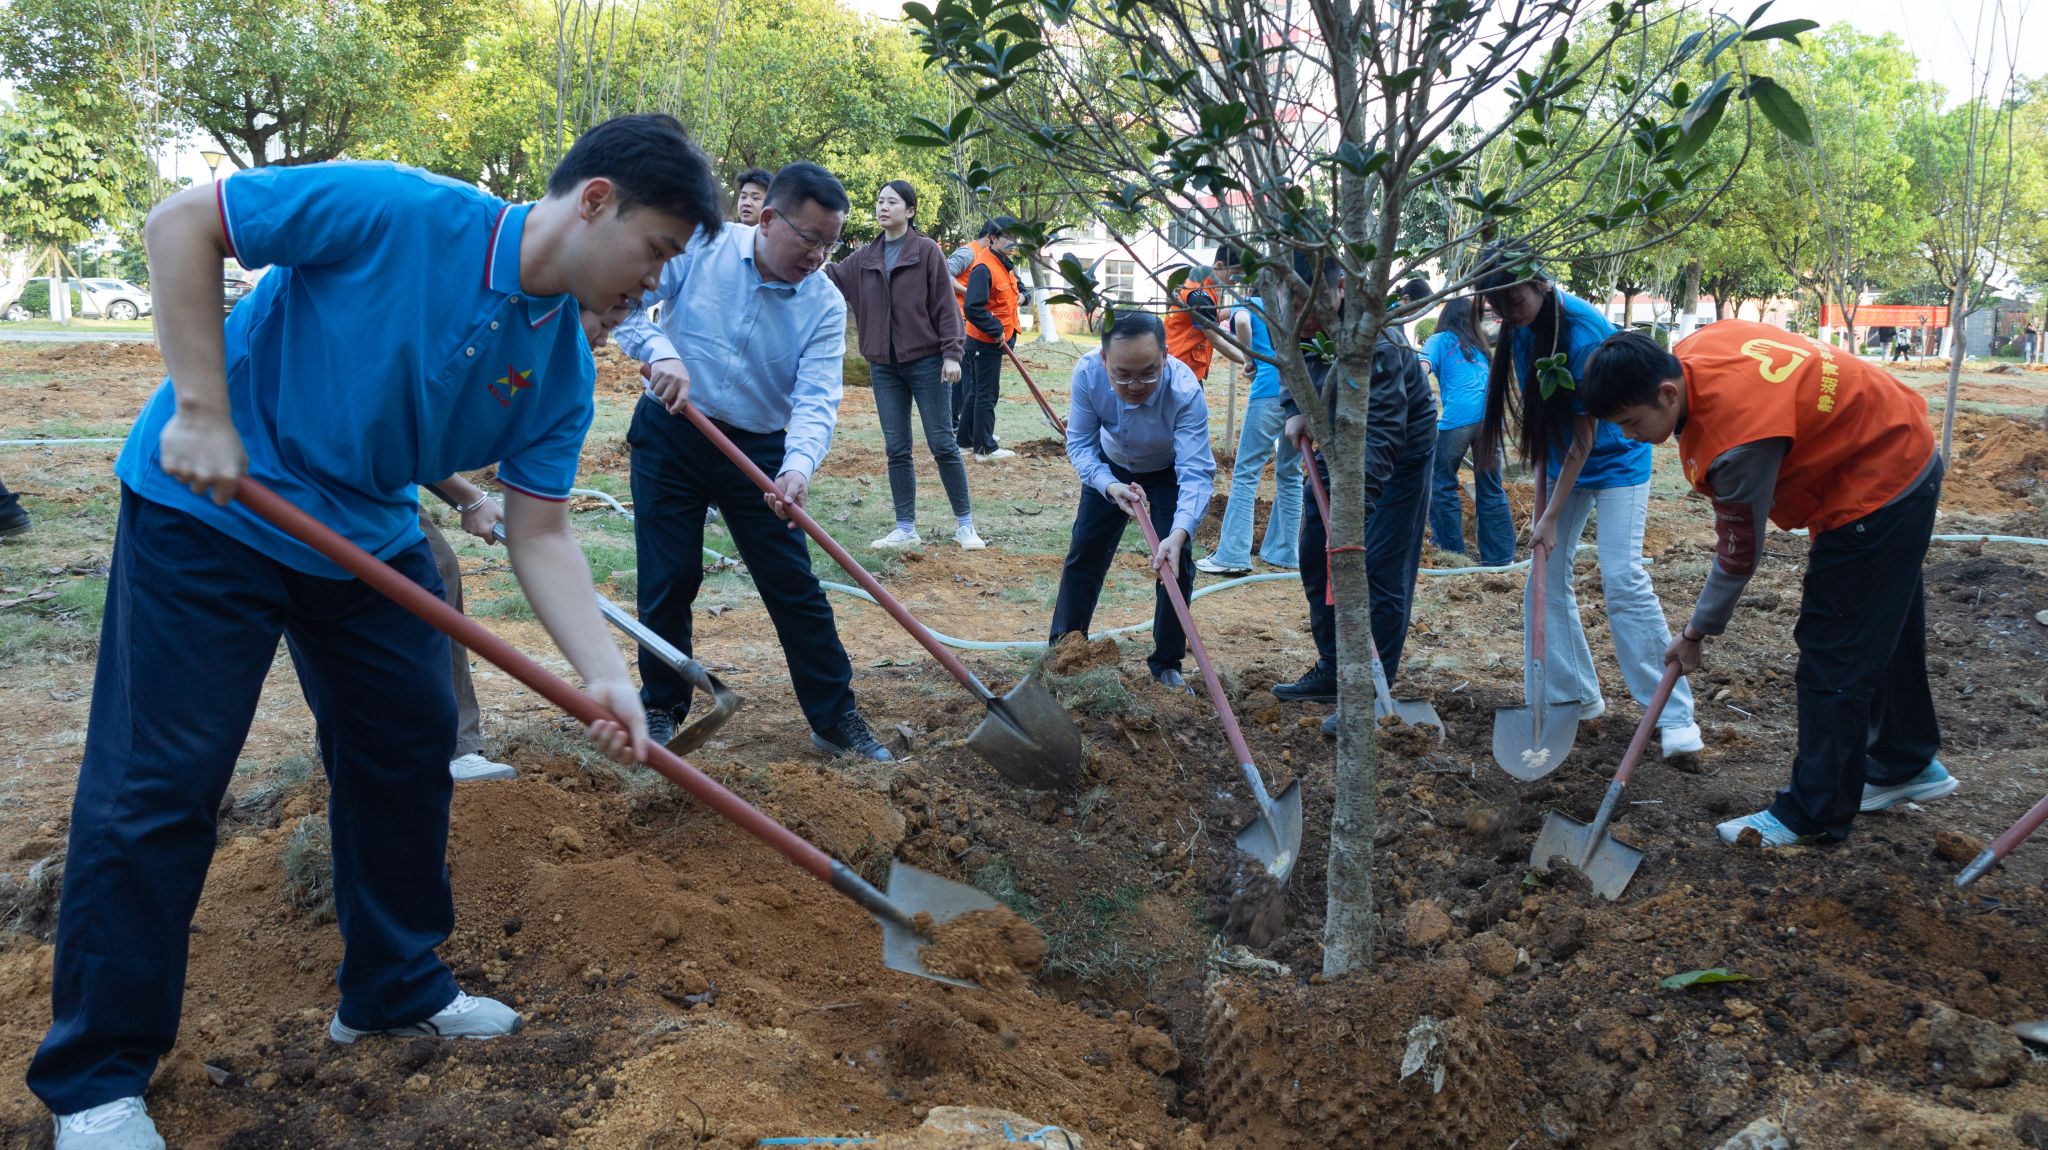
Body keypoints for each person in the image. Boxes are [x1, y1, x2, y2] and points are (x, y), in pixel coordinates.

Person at [29, 113, 713, 1149]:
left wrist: (602, 673)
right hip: (214, 506)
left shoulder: (562, 371)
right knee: (160, 782)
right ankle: (95, 1078)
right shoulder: (398, 208)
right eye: (655, 251)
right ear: (595, 201)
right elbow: (181, 222)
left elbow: (540, 534)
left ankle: (391, 988)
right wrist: (202, 408)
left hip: (365, 533)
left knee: (408, 750)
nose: (652, 285)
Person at [1579, 324, 1949, 847]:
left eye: (1631, 422)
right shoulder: (1697, 348)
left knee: (1834, 649)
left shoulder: (1737, 441)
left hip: (1881, 480)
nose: (1627, 437)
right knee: (1883, 625)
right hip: (1896, 441)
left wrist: (1695, 632)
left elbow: (1739, 554)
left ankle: (1813, 812)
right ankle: (1904, 761)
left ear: (1667, 393)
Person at [616, 162, 894, 762]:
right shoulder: (701, 246)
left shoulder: (824, 302)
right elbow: (626, 303)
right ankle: (661, 705)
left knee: (794, 585)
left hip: (759, 453)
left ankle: (834, 716)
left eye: (830, 244)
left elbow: (817, 397)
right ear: (767, 219)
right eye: (810, 239)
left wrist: (797, 467)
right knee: (669, 577)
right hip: (672, 430)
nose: (818, 256)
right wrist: (660, 352)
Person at [1476, 249, 1703, 761]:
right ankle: (1572, 695)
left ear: (1540, 283)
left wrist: (1549, 517)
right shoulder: (1522, 325)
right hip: (1564, 463)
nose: (1510, 314)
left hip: (1618, 457)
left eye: (1515, 301)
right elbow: (1543, 412)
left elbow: (1586, 441)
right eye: (1499, 307)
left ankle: (1673, 716)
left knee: (1622, 577)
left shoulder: (1582, 336)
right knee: (1544, 576)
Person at [1272, 270, 1437, 722]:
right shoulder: (1285, 315)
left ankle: (1368, 693)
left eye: (1313, 301)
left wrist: (1352, 515)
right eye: (1293, 305)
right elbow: (1288, 364)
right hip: (1333, 439)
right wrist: (1295, 408)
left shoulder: (1377, 339)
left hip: (1398, 452)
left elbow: (1383, 432)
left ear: (1340, 287)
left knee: (1378, 566)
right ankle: (1333, 670)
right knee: (1315, 554)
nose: (1303, 315)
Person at [1048, 311, 1216, 692]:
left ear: (1165, 356)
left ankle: (1167, 664)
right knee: (1086, 550)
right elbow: (1080, 444)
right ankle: (1064, 650)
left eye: (1148, 373)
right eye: (1122, 375)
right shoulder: (1088, 374)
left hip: (1168, 468)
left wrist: (1180, 532)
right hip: (1110, 468)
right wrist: (1108, 486)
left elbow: (1195, 471)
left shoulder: (1185, 390)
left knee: (1174, 560)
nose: (1136, 385)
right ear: (1104, 360)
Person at [825, 180, 982, 551]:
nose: (883, 207)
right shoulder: (864, 257)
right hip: (884, 367)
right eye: (880, 201)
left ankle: (965, 526)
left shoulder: (926, 251)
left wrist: (952, 353)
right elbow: (830, 279)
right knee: (896, 448)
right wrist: (807, 253)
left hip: (928, 363)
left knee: (942, 443)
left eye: (892, 202)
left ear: (909, 211)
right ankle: (905, 528)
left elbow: (946, 305)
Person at [1194, 269, 1302, 576]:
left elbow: (1240, 321)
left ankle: (1233, 554)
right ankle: (1285, 551)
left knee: (1246, 472)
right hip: (1299, 398)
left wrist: (1249, 358)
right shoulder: (1297, 310)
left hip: (1268, 393)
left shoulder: (1253, 303)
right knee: (1291, 473)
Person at [1422, 298, 1514, 567]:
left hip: (1459, 420)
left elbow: (1421, 368)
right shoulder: (1480, 343)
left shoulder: (1438, 340)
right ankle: (1500, 557)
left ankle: (1452, 552)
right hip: (1490, 420)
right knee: (1490, 485)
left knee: (1441, 483)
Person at [954, 216, 1024, 461]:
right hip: (985, 341)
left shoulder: (1004, 263)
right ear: (993, 238)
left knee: (976, 391)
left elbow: (1015, 292)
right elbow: (973, 307)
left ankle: (964, 441)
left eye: (1017, 238)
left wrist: (1024, 297)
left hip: (996, 338)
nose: (1014, 243)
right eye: (1009, 237)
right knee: (987, 393)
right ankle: (985, 447)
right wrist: (995, 330)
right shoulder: (984, 267)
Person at [1163, 262, 1234, 382]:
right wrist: (1249, 361)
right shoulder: (1199, 295)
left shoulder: (1203, 286)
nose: (1237, 279)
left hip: (1182, 364)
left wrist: (1237, 308)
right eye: (1235, 272)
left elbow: (1208, 318)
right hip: (1181, 369)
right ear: (1220, 266)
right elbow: (1217, 341)